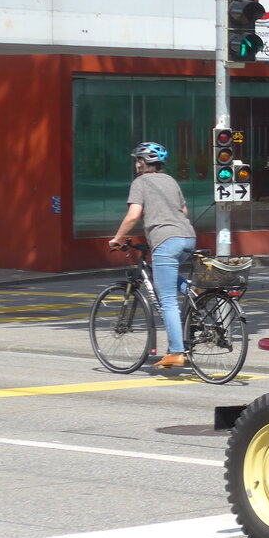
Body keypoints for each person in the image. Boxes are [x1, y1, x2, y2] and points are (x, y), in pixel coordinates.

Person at [109, 142, 197, 370]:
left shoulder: (140, 182)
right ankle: (197, 293)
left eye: (138, 161)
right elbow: (183, 211)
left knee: (166, 298)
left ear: (143, 162)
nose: (136, 165)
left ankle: (176, 351)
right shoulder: (171, 181)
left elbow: (133, 215)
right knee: (167, 280)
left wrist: (118, 238)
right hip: (188, 238)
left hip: (166, 241)